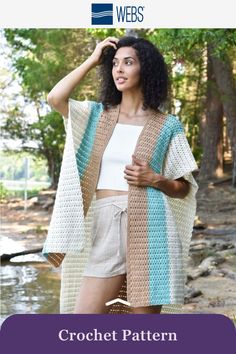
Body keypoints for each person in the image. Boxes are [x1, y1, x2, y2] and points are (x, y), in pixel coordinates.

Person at [43, 36, 198, 315]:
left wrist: (155, 179)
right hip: (107, 225)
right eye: (114, 64)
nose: (119, 70)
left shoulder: (167, 125)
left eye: (128, 62)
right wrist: (93, 60)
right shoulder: (96, 116)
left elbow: (184, 188)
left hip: (152, 227)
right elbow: (56, 98)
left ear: (145, 69)